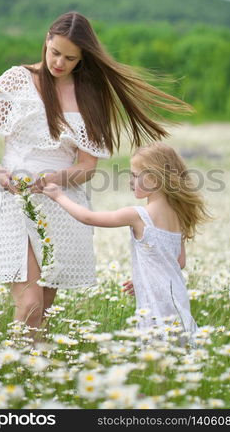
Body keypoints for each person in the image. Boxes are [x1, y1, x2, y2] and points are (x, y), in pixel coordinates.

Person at [0, 11, 192, 335]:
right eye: (55, 52)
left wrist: (54, 180)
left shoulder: (89, 94)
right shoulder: (16, 80)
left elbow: (88, 167)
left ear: (81, 59)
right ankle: (11, 373)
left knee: (44, 308)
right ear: (46, 41)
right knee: (30, 303)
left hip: (61, 204)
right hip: (13, 200)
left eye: (70, 58)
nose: (59, 62)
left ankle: (32, 376)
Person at [42, 142, 212, 344]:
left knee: (155, 351)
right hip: (176, 295)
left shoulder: (139, 216)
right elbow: (179, 261)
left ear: (154, 177)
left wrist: (59, 196)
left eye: (135, 175)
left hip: (154, 300)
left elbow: (88, 218)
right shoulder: (178, 214)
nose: (131, 181)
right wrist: (144, 276)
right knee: (178, 344)